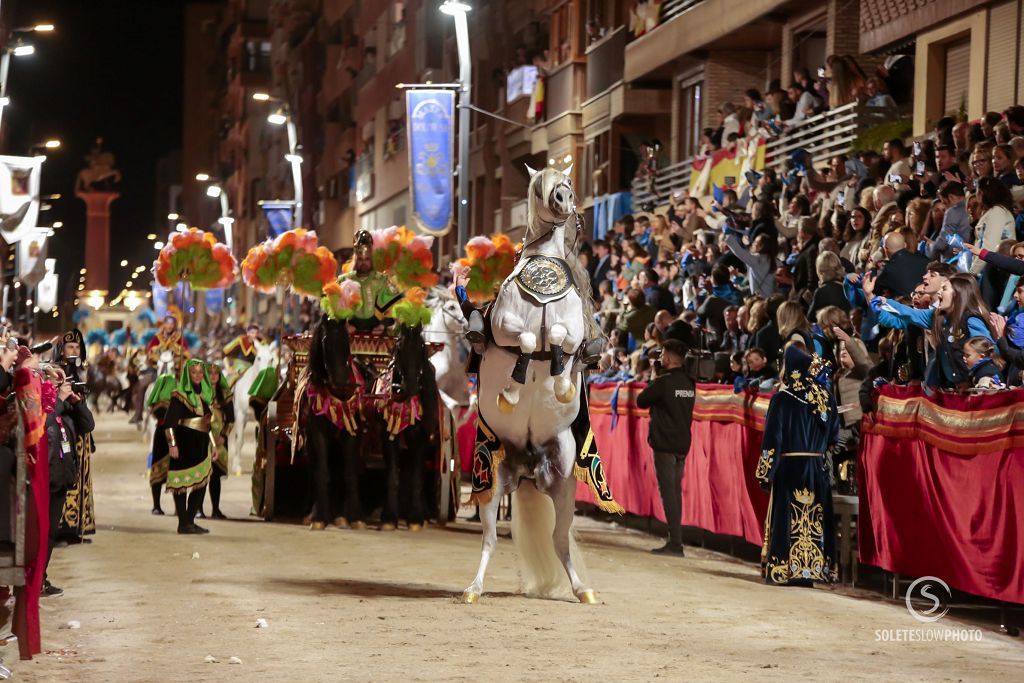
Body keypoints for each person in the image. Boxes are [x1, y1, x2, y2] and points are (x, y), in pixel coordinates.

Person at [755, 344, 839, 586]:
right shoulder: (826, 399)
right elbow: (834, 438)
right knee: (814, 518)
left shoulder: (782, 399)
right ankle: (811, 571)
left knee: (788, 518)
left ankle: (785, 569)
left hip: (790, 466)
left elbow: (772, 441)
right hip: (817, 468)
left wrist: (765, 473)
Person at [865, 272, 994, 389]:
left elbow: (986, 349)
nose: (939, 293)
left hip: (975, 387)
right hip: (951, 388)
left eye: (944, 289)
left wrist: (979, 379)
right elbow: (909, 313)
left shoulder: (971, 319)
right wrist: (883, 301)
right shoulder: (937, 317)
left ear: (958, 294)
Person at [635, 340, 696, 557]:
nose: (660, 359)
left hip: (664, 444)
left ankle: (676, 543)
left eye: (662, 355)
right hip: (682, 443)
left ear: (668, 359)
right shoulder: (690, 382)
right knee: (675, 492)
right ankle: (675, 539)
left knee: (669, 493)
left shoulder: (663, 382)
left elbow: (641, 400)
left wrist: (653, 377)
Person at [54, 328, 97, 543]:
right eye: (69, 346)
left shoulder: (81, 371)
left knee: (82, 481)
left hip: (81, 434)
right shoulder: (56, 371)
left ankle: (77, 528)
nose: (73, 350)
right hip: (64, 432)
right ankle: (63, 528)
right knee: (67, 480)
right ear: (61, 349)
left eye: (77, 347)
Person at [163, 359, 214, 534]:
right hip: (184, 442)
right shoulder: (179, 396)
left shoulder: (206, 394)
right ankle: (183, 523)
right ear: (187, 374)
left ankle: (190, 520)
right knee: (181, 484)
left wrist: (213, 445)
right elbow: (169, 423)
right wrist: (173, 445)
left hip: (202, 443)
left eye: (201, 372)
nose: (198, 375)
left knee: (201, 483)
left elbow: (208, 423)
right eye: (194, 372)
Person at [339, 229, 402, 332]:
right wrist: (343, 325)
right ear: (355, 259)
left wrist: (383, 326)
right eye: (360, 259)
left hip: (377, 335)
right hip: (349, 335)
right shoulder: (344, 280)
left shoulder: (382, 280)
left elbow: (395, 312)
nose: (364, 263)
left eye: (367, 259)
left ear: (371, 259)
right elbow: (332, 311)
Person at [145, 370, 178, 515]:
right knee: (176, 470)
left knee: (158, 470)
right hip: (173, 436)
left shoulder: (156, 403)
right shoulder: (173, 402)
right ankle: (177, 507)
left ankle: (156, 506)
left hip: (160, 435)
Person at [205, 362, 234, 519]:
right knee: (201, 475)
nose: (213, 376)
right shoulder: (201, 393)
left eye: (216, 373)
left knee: (215, 475)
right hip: (203, 437)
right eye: (210, 373)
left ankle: (215, 509)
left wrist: (223, 436)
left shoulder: (225, 393)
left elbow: (231, 419)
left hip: (220, 439)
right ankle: (198, 509)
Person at [872, 232, 929, 298]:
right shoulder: (925, 260)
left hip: (904, 306)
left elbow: (873, 290)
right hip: (926, 304)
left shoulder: (887, 269)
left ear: (885, 249)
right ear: (905, 245)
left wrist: (872, 267)